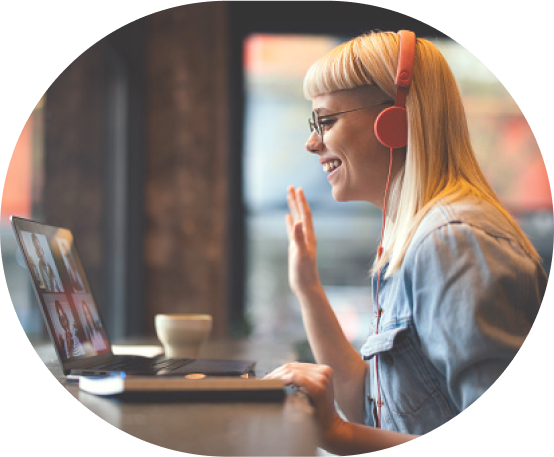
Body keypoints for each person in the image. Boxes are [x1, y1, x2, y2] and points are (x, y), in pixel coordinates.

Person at [264, 30, 547, 454]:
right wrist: (307, 287)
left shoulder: (454, 246)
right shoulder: (417, 238)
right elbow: (368, 406)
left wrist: (336, 435)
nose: (311, 143)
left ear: (394, 123)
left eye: (325, 121)